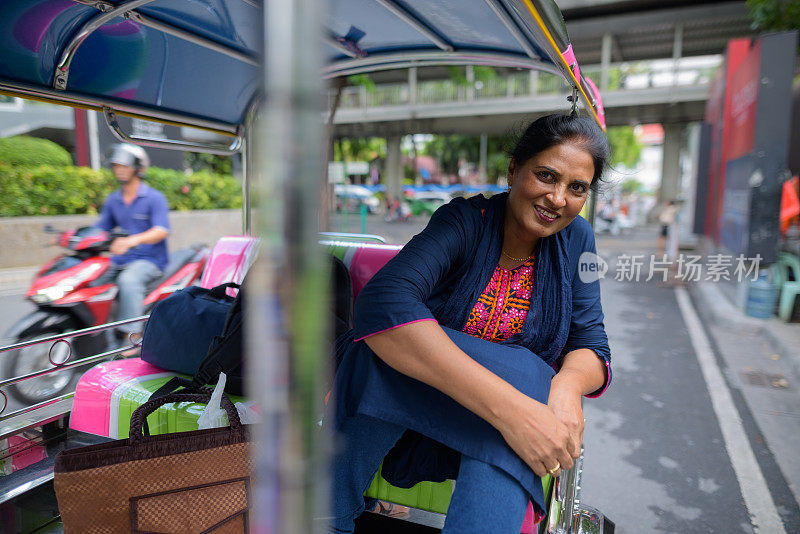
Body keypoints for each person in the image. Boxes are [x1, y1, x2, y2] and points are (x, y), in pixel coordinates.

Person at [329, 114, 612, 533]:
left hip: (487, 430)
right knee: (524, 374)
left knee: (537, 382)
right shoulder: (464, 221)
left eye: (576, 188)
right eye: (546, 176)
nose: (557, 198)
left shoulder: (578, 240)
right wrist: (514, 409)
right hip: (400, 402)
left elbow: (591, 344)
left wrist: (566, 388)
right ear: (514, 169)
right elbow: (385, 302)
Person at [95, 144, 170, 339]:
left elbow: (161, 231)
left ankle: (133, 337)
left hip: (150, 260)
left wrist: (130, 241)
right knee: (92, 278)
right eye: (116, 166)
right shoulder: (113, 200)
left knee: (128, 280)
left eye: (125, 166)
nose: (119, 170)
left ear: (138, 168)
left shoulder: (154, 198)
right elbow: (100, 229)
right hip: (120, 260)